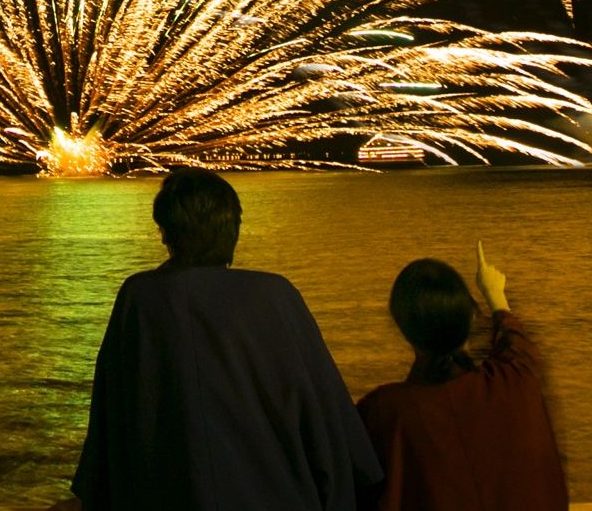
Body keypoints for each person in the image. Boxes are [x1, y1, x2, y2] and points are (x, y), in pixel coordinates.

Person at [51, 167, 382, 511]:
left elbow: (111, 424)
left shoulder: (139, 299)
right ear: (233, 229)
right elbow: (327, 414)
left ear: (164, 233)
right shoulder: (274, 296)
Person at [354, 244, 568, 511]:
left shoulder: (384, 411)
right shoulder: (515, 380)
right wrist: (495, 296)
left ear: (403, 329)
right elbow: (517, 346)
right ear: (469, 317)